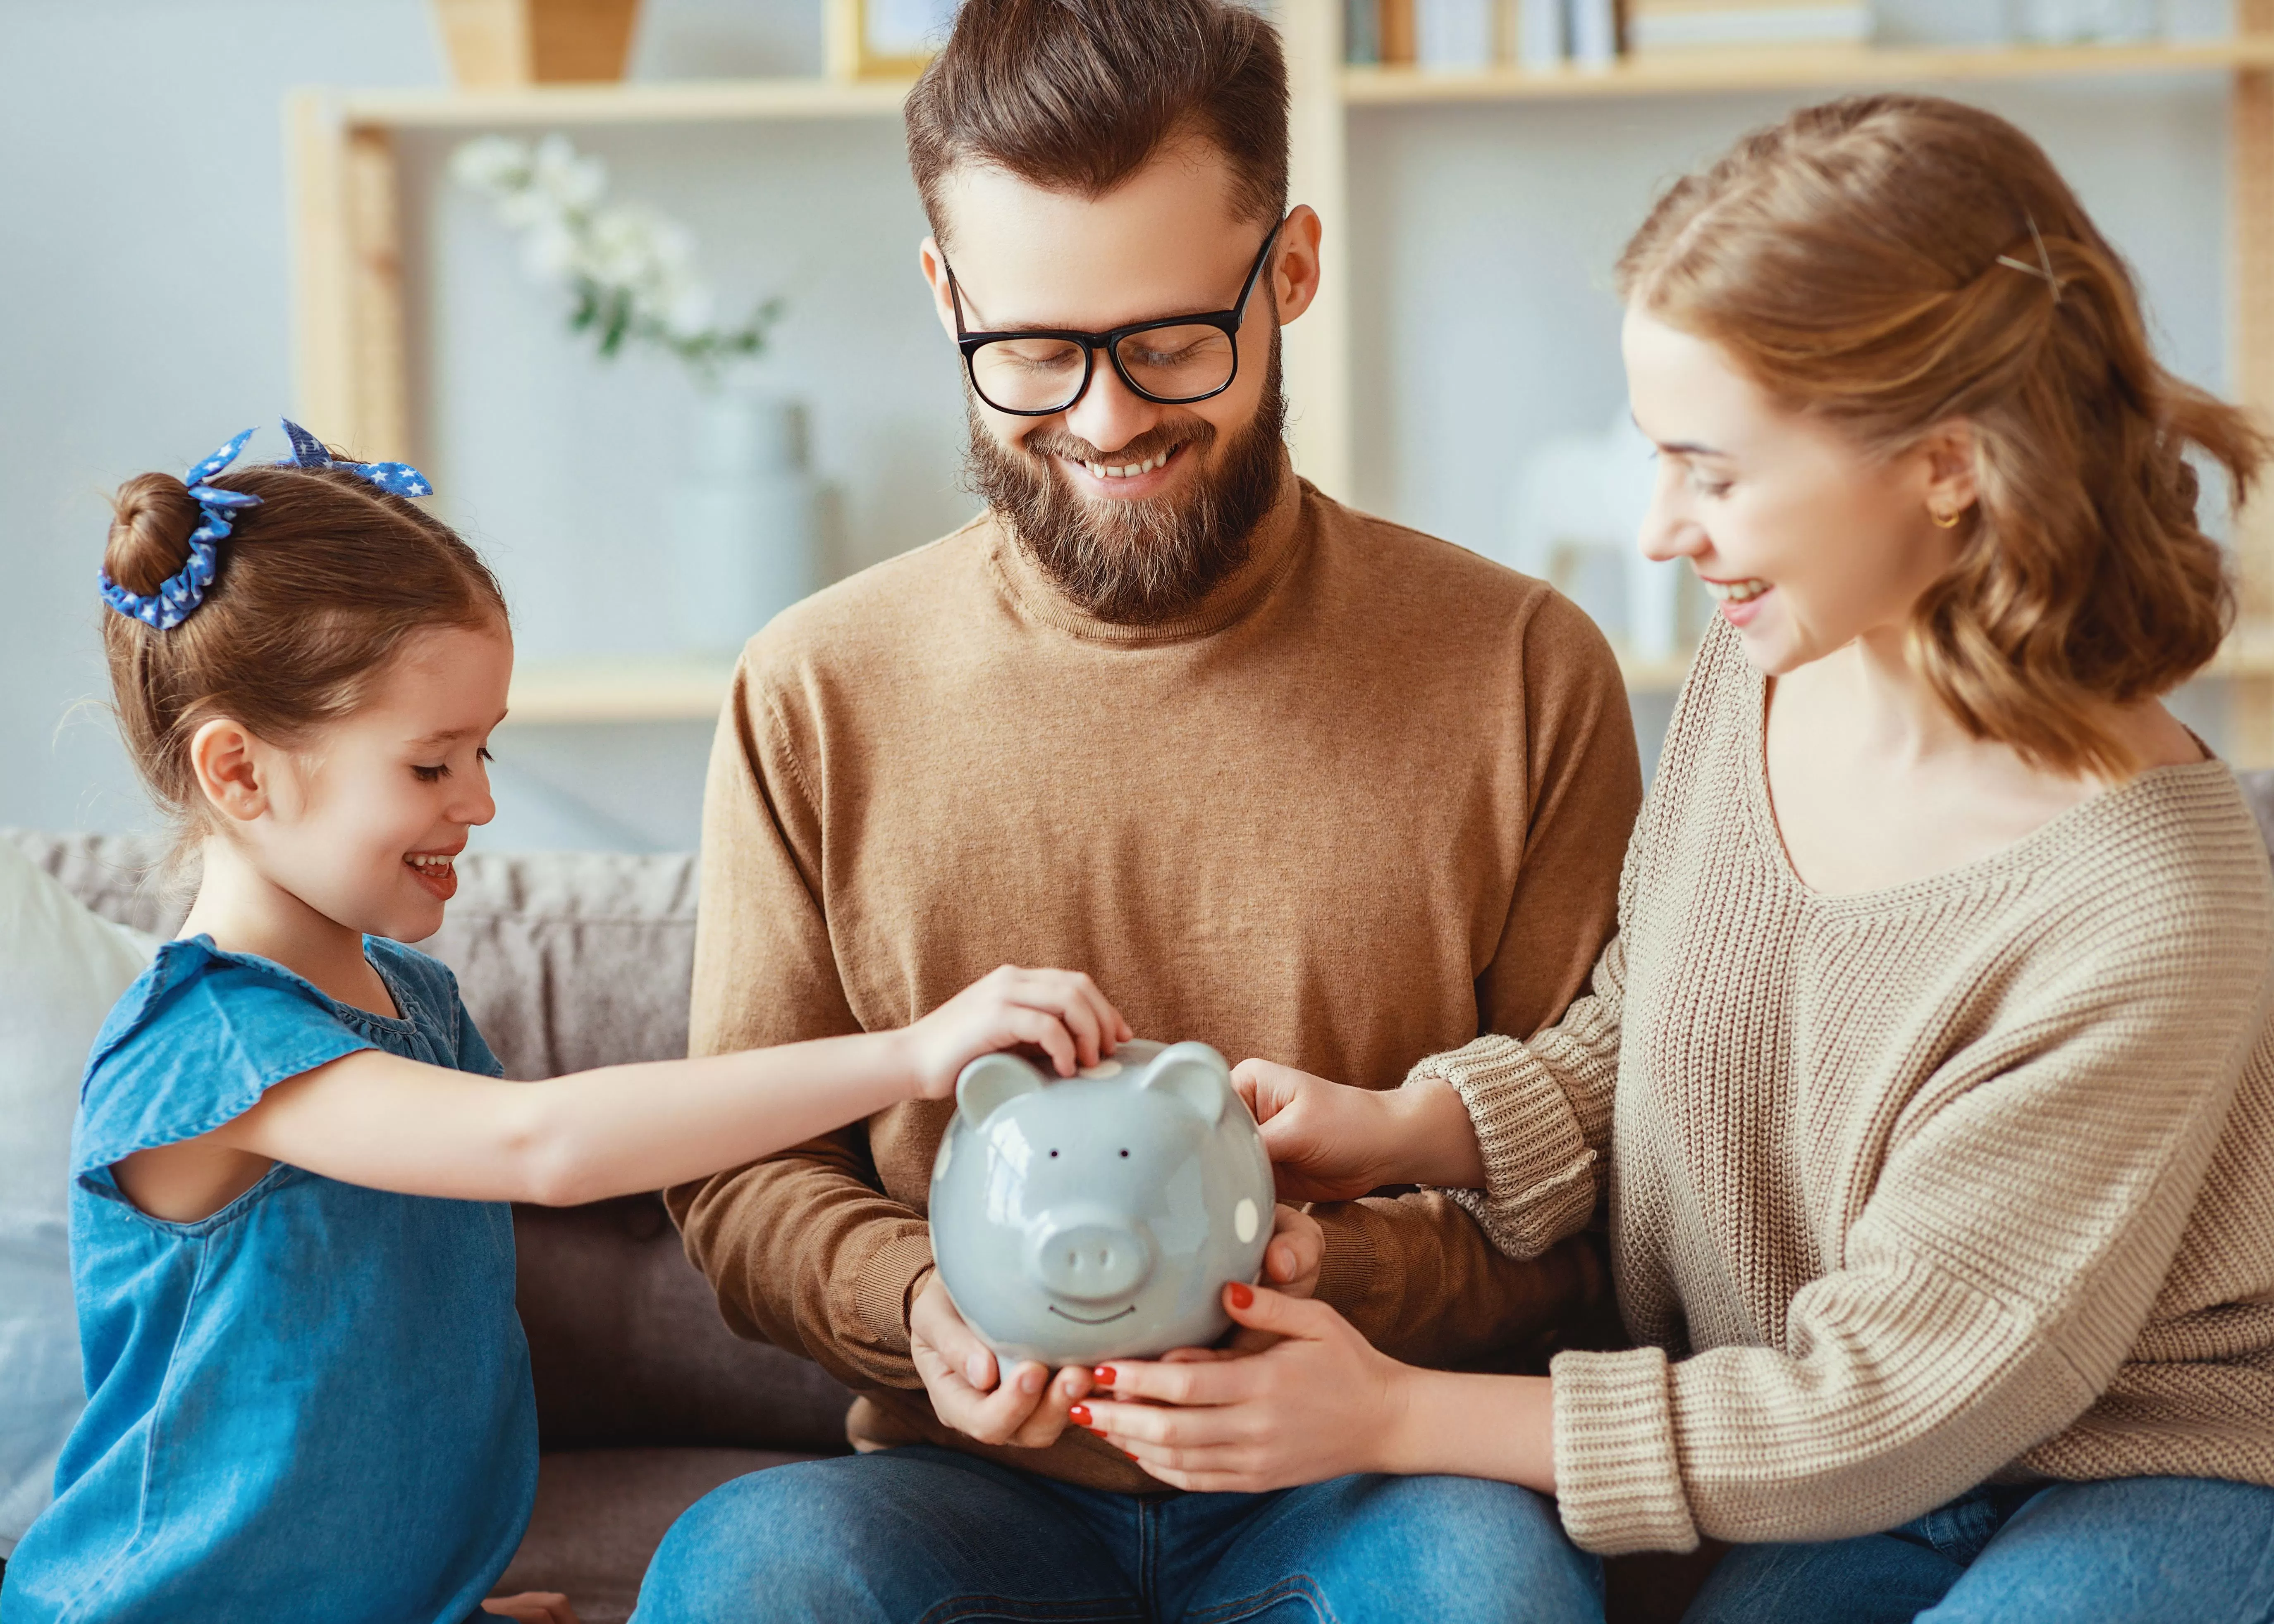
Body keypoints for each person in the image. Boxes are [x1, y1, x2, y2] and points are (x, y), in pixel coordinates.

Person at [1075, 94, 2274, 1624]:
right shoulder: (1764, 674)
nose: (1659, 531)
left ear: (1946, 466)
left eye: (1711, 472)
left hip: (2131, 1471)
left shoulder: (2145, 909)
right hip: (1838, 1471)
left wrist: (1392, 1415)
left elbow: (1893, 1397)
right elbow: (1659, 1026)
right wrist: (1403, 1129)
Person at [634, 0, 1643, 1617]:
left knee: (1488, 1592)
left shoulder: (1521, 672)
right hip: (968, 1490)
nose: (1105, 421)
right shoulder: (812, 691)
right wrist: (924, 1311)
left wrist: (1338, 1274)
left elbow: (1596, 1179)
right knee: (756, 1569)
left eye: (1173, 341)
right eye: (1032, 349)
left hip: (1367, 1473)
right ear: (944, 295)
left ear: (1291, 270)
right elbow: (742, 1176)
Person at [0, 422, 1128, 1624]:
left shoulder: (413, 1004)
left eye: (484, 751)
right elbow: (545, 1145)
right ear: (240, 774)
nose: (481, 802)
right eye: (432, 766)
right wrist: (910, 1053)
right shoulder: (209, 1045)